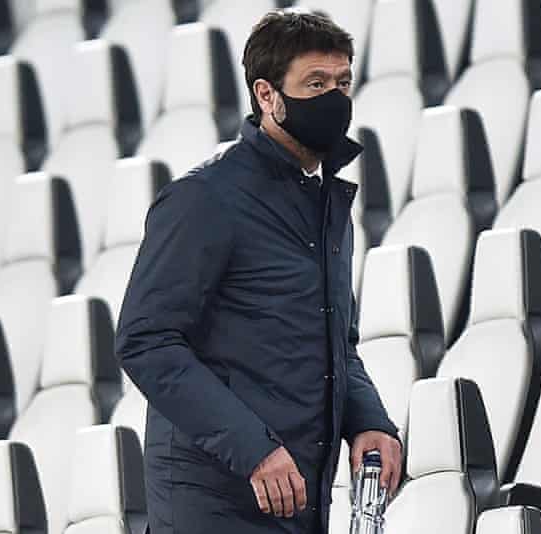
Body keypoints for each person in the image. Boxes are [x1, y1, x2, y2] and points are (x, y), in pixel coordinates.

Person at [115, 9, 402, 534]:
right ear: (266, 95)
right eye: (314, 83)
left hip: (295, 500)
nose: (334, 98)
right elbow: (146, 341)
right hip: (213, 503)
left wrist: (370, 423)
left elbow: (336, 344)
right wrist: (252, 450)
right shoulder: (205, 198)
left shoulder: (327, 203)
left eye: (342, 82)